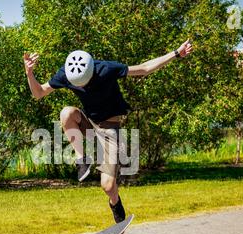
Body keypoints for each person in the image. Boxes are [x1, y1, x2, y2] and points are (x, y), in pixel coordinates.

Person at [24, 40, 193, 223]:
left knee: (107, 185)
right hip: (88, 121)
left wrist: (175, 53)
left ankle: (115, 204)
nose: (82, 87)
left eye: (85, 83)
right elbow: (39, 93)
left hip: (110, 128)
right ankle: (82, 160)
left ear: (91, 73)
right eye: (77, 85)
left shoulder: (106, 68)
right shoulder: (66, 73)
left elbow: (144, 68)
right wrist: (29, 72)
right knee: (66, 113)